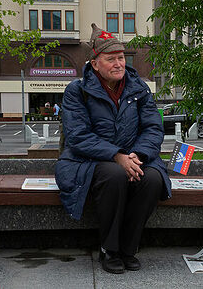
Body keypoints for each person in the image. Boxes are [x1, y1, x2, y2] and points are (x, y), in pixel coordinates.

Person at [55, 23, 171, 274]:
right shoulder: (77, 91)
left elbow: (153, 128)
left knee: (151, 178)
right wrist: (116, 156)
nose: (119, 63)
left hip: (132, 157)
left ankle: (128, 249)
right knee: (114, 174)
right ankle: (109, 248)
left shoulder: (139, 88)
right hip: (86, 161)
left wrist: (137, 156)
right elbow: (78, 136)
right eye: (111, 59)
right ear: (95, 63)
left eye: (121, 57)